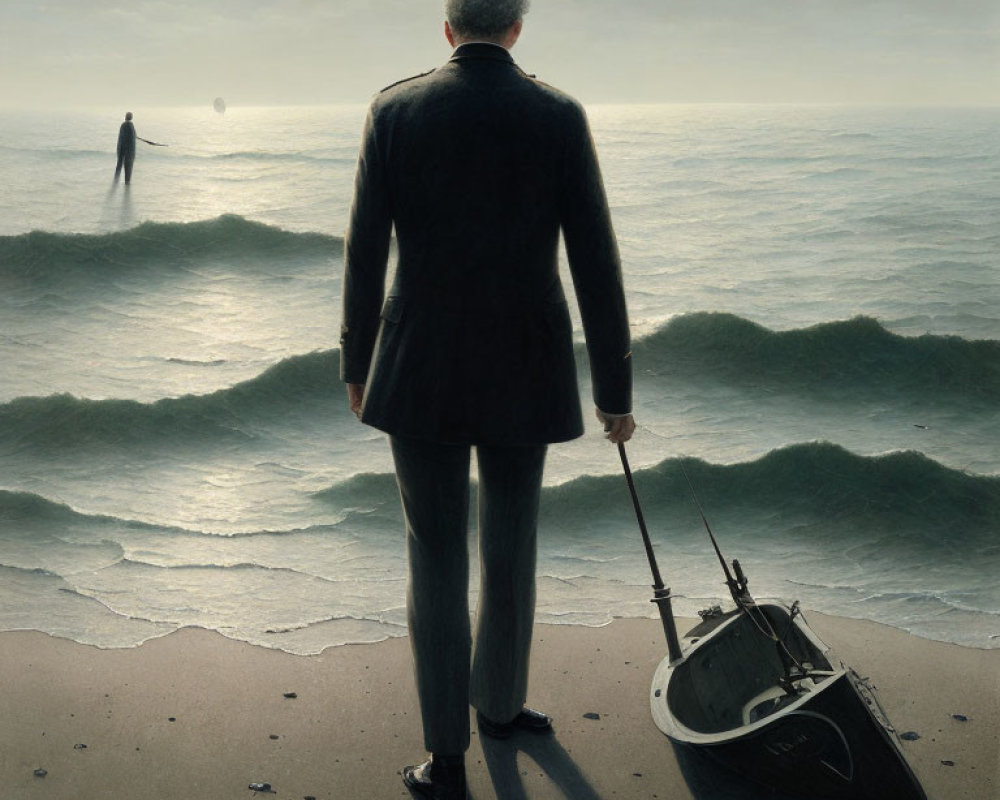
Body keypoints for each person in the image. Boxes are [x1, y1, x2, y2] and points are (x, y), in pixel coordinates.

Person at [340, 1, 634, 797]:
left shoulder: (394, 109)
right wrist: (614, 387)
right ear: (516, 28)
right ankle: (500, 708)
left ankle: (446, 758)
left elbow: (366, 250)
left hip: (418, 365)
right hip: (525, 366)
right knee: (511, 546)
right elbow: (595, 259)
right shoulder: (558, 115)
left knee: (433, 556)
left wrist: (356, 361)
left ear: (448, 30)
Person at [114, 112, 163, 184]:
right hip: (128, 150)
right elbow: (130, 137)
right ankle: (126, 182)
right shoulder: (129, 125)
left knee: (120, 165)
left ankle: (117, 181)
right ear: (130, 117)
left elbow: (125, 137)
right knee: (128, 166)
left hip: (123, 149)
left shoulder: (125, 125)